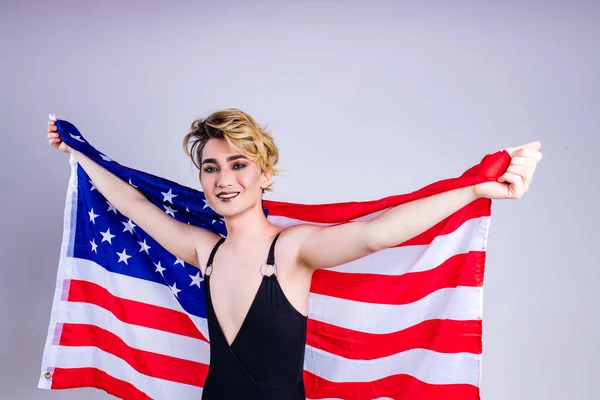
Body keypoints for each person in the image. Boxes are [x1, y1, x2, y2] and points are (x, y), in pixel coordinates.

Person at [47, 109, 542, 399]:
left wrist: (477, 192)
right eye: (211, 168)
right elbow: (133, 203)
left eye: (238, 164)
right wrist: (78, 152)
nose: (224, 179)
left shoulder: (293, 249)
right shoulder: (205, 249)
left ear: (264, 175)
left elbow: (376, 235)